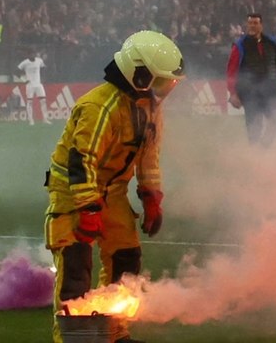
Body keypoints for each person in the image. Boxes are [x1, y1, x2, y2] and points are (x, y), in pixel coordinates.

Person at [45, 31, 184, 343]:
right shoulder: (99, 106)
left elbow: (149, 156)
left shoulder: (150, 108)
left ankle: (114, 333)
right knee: (75, 267)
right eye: (160, 81)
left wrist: (151, 196)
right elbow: (81, 162)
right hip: (73, 192)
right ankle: (71, 338)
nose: (164, 90)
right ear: (139, 73)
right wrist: (88, 209)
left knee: (125, 260)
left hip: (113, 191)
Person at [226, 13, 276, 147]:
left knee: (275, 123)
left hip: (271, 92)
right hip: (250, 93)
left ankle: (263, 149)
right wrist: (233, 93)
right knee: (254, 127)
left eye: (255, 23)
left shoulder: (272, 44)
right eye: (250, 23)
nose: (252, 26)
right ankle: (255, 157)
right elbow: (232, 70)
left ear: (261, 25)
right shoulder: (240, 46)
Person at [19, 51, 48, 125]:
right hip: (30, 85)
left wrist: (43, 78)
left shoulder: (39, 61)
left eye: (33, 54)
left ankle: (45, 119)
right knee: (30, 102)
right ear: (28, 54)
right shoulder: (25, 63)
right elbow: (17, 70)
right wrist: (24, 79)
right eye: (31, 53)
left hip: (38, 84)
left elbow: (44, 68)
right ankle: (31, 120)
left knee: (43, 101)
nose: (32, 55)